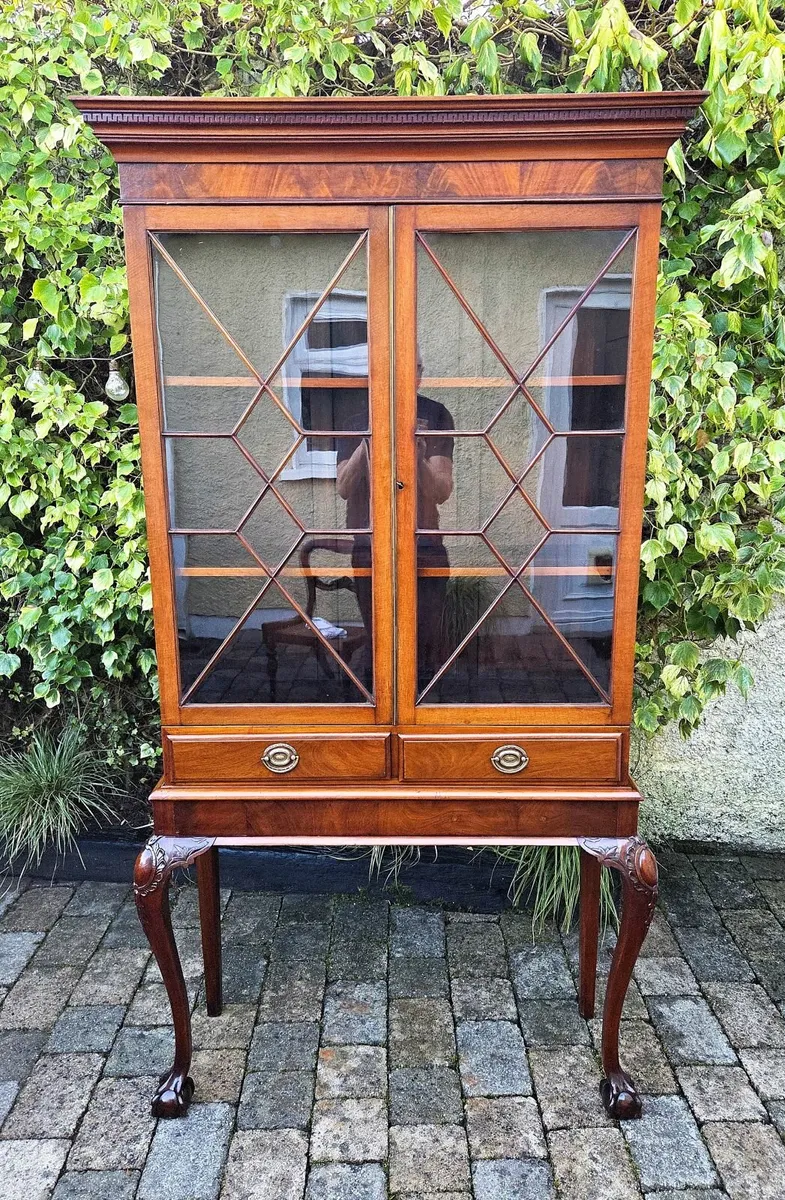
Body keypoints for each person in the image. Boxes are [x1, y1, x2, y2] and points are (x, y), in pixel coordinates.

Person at [336, 355, 454, 694]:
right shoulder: (354, 416)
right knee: (378, 635)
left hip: (424, 545)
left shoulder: (435, 414)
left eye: (411, 368)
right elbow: (344, 487)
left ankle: (423, 720)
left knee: (424, 638)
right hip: (370, 545)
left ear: (420, 373)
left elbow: (441, 491)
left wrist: (416, 456)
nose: (402, 376)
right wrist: (368, 440)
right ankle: (377, 712)